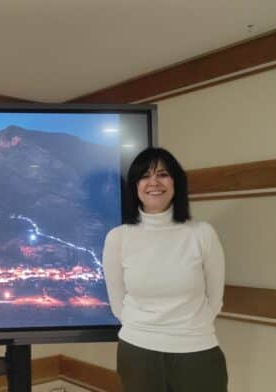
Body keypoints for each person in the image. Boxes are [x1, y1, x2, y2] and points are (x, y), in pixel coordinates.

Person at [102, 147, 227, 392]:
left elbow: (215, 299)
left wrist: (187, 330)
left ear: (175, 182)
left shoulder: (202, 234)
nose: (154, 182)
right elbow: (118, 304)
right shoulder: (118, 237)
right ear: (135, 186)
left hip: (197, 351)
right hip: (137, 353)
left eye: (162, 174)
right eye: (145, 176)